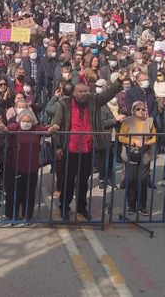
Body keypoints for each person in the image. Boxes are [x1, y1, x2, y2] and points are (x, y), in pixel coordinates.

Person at [50, 70, 126, 221]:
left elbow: (107, 94)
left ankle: (81, 208)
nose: (83, 94)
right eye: (80, 91)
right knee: (68, 181)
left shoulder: (93, 100)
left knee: (84, 181)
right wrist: (57, 139)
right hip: (70, 149)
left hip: (88, 148)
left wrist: (119, 81)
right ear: (75, 92)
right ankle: (64, 207)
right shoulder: (64, 104)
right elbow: (57, 123)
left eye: (85, 91)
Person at [117, 100, 156, 215]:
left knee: (143, 181)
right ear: (133, 110)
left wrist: (147, 142)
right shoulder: (127, 121)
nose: (141, 111)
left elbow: (154, 137)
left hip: (145, 154)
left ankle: (142, 206)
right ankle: (131, 205)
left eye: (143, 109)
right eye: (138, 109)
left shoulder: (150, 121)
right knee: (131, 180)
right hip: (130, 155)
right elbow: (121, 137)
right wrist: (134, 141)